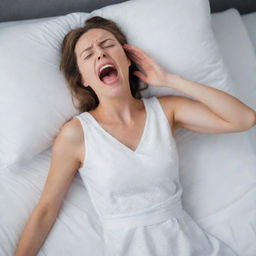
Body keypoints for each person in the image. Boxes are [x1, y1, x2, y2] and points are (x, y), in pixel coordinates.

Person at [14, 16, 255, 256]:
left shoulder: (166, 110)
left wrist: (170, 80)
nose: (100, 54)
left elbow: (244, 119)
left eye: (108, 45)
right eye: (88, 54)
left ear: (127, 59)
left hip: (190, 244)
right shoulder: (77, 135)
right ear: (83, 79)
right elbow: (46, 210)